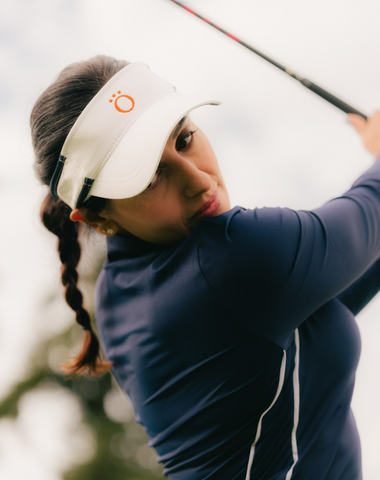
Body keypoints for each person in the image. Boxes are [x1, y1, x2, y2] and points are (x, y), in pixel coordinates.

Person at [30, 54, 380, 480]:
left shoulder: (119, 291)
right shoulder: (229, 258)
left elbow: (318, 306)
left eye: (183, 139)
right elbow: (367, 219)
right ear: (98, 218)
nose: (198, 180)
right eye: (149, 177)